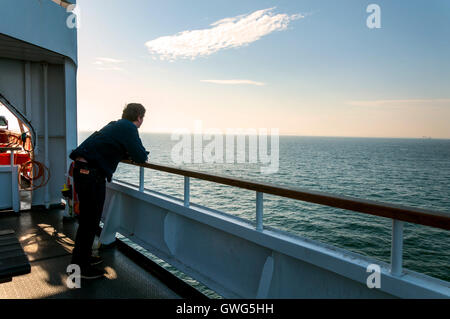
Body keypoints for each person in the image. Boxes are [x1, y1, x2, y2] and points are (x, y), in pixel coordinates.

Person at [69, 103, 149, 279]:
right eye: (143, 118)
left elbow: (109, 145)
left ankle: (82, 259)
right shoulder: (129, 127)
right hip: (91, 174)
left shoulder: (115, 124)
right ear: (139, 117)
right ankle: (80, 267)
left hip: (81, 169)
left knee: (87, 220)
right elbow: (141, 156)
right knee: (90, 221)